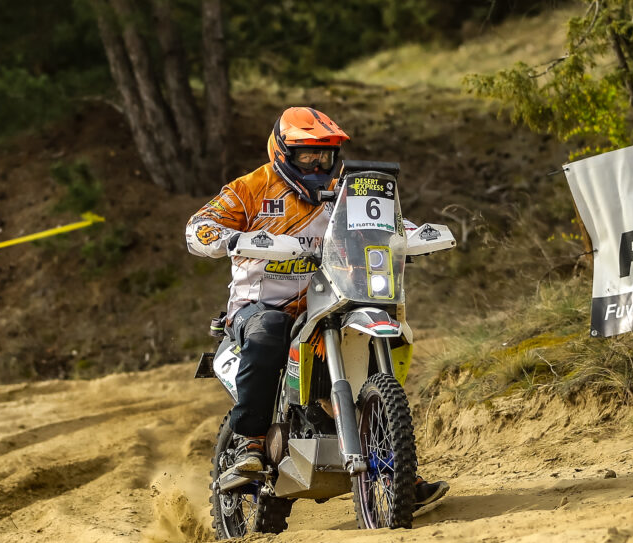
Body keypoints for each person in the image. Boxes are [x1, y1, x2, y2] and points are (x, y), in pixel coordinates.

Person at [185, 107, 448, 509]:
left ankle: (396, 471)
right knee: (269, 331)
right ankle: (250, 443)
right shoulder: (251, 188)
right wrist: (230, 238)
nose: (318, 163)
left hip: (330, 299)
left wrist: (413, 234)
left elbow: (383, 223)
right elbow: (199, 225)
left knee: (371, 354)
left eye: (325, 155)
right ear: (282, 151)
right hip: (262, 304)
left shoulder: (346, 189)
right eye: (307, 154)